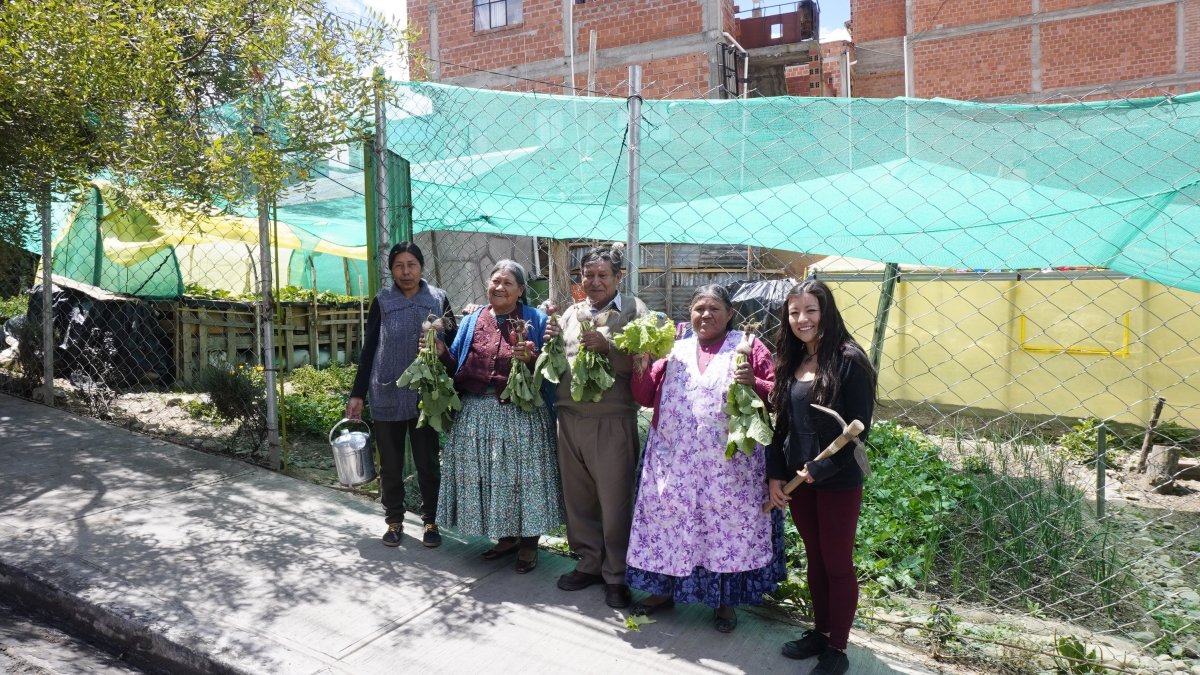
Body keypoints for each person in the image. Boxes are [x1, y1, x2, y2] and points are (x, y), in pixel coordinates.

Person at [625, 285, 784, 633]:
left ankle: (724, 601)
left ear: (730, 314)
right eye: (699, 308)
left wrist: (754, 382)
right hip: (673, 461)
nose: (705, 315)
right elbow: (644, 395)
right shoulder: (675, 345)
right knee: (669, 524)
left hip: (730, 468)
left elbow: (777, 395)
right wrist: (641, 362)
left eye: (714, 309)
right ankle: (662, 592)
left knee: (724, 531)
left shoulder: (747, 345)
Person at [766, 279, 875, 675]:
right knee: (815, 558)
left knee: (837, 562)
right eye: (794, 312)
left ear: (826, 311)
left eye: (810, 310)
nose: (802, 319)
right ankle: (821, 630)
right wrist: (775, 474)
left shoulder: (850, 360)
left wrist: (823, 468)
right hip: (799, 479)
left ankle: (838, 648)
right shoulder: (793, 358)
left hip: (837, 481)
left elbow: (861, 430)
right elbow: (782, 426)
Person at [431, 259, 562, 573]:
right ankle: (506, 537)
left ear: (519, 291)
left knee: (523, 477)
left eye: (508, 283)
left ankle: (529, 543)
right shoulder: (473, 319)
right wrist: (439, 353)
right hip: (477, 410)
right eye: (495, 281)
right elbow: (458, 365)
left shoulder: (536, 319)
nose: (499, 287)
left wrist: (530, 358)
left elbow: (549, 369)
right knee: (490, 477)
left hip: (521, 411)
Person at [545, 243, 648, 609]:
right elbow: (557, 361)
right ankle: (589, 563)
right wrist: (546, 346)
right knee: (580, 498)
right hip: (569, 418)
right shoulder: (571, 314)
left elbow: (645, 363)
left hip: (611, 421)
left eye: (603, 275)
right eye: (588, 275)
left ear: (618, 277)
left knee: (615, 501)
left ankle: (617, 575)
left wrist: (611, 347)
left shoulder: (635, 311)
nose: (595, 281)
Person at [346, 241, 456, 549]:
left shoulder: (437, 298)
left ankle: (431, 521)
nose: (405, 272)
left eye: (412, 265)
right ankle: (394, 520)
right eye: (399, 266)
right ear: (391, 269)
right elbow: (369, 348)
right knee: (390, 465)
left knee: (427, 462)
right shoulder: (383, 301)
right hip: (386, 390)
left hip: (426, 396)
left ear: (422, 267)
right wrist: (357, 394)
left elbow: (453, 339)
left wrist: (441, 346)